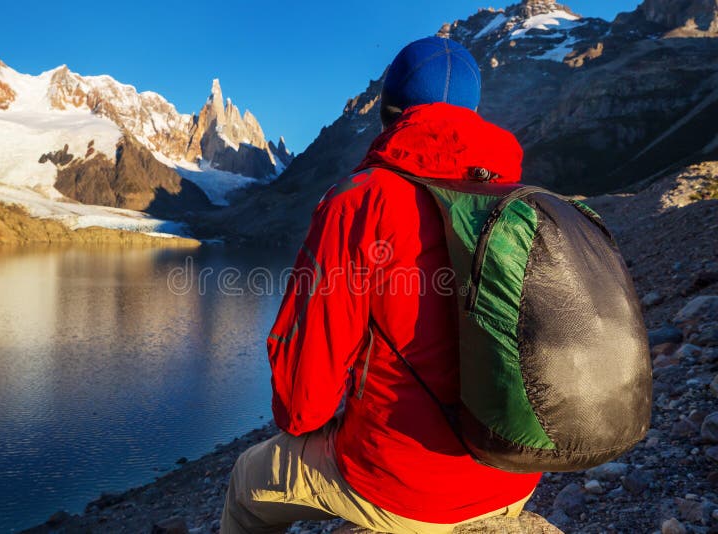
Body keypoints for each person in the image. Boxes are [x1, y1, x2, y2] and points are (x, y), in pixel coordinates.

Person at [221, 35, 542, 534]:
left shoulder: (360, 201)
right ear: (474, 115)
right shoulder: (519, 201)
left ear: (390, 113)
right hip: (515, 472)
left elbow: (303, 401)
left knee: (247, 482)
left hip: (406, 487)